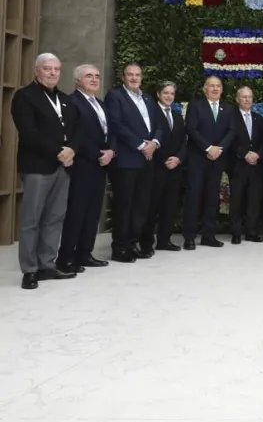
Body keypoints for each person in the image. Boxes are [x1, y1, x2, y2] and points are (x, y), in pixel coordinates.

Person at [11, 53, 79, 289]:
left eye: (56, 69)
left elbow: (79, 129)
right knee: (32, 220)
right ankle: (29, 270)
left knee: (54, 218)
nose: (52, 73)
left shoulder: (66, 99)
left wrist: (72, 149)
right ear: (36, 71)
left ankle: (47, 265)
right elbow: (29, 133)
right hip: (37, 167)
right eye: (47, 69)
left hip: (64, 167)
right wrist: (58, 152)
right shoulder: (24, 96)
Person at [57, 64, 113, 274]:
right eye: (89, 76)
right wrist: (98, 154)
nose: (94, 79)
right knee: (77, 212)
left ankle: (85, 253)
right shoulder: (72, 103)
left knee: (92, 212)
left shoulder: (100, 103)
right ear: (77, 80)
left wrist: (111, 152)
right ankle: (66, 257)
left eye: (97, 76)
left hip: (101, 165)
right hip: (82, 164)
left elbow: (110, 132)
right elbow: (76, 135)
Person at [105, 63, 161, 262]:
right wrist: (140, 145)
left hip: (147, 160)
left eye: (137, 75)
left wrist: (154, 143)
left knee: (141, 206)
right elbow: (116, 124)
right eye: (130, 75)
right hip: (127, 160)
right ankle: (119, 247)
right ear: (123, 77)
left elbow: (158, 124)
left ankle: (132, 243)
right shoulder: (115, 96)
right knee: (124, 205)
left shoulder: (147, 98)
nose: (134, 78)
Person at [183, 75, 235, 250]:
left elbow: (231, 131)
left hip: (217, 159)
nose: (214, 89)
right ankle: (189, 236)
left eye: (218, 86)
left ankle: (208, 235)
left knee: (213, 198)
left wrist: (219, 149)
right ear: (205, 89)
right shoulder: (195, 105)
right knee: (194, 196)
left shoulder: (228, 108)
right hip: (198, 158)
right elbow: (191, 129)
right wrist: (208, 148)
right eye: (211, 86)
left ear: (221, 89)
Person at [148, 80, 185, 252]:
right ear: (158, 94)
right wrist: (164, 159)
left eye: (171, 93)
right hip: (156, 167)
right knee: (151, 206)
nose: (169, 96)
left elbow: (183, 142)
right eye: (166, 93)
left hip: (174, 168)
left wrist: (177, 158)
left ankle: (165, 240)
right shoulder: (151, 112)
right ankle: (146, 242)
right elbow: (150, 138)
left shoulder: (177, 116)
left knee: (170, 206)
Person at [228, 86, 263, 244]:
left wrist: (258, 154)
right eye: (243, 97)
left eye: (249, 97)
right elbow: (229, 140)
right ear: (237, 99)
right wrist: (244, 154)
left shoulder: (258, 118)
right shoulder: (230, 116)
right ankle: (236, 232)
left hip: (256, 165)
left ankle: (251, 231)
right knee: (236, 199)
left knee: (254, 199)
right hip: (238, 164)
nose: (247, 100)